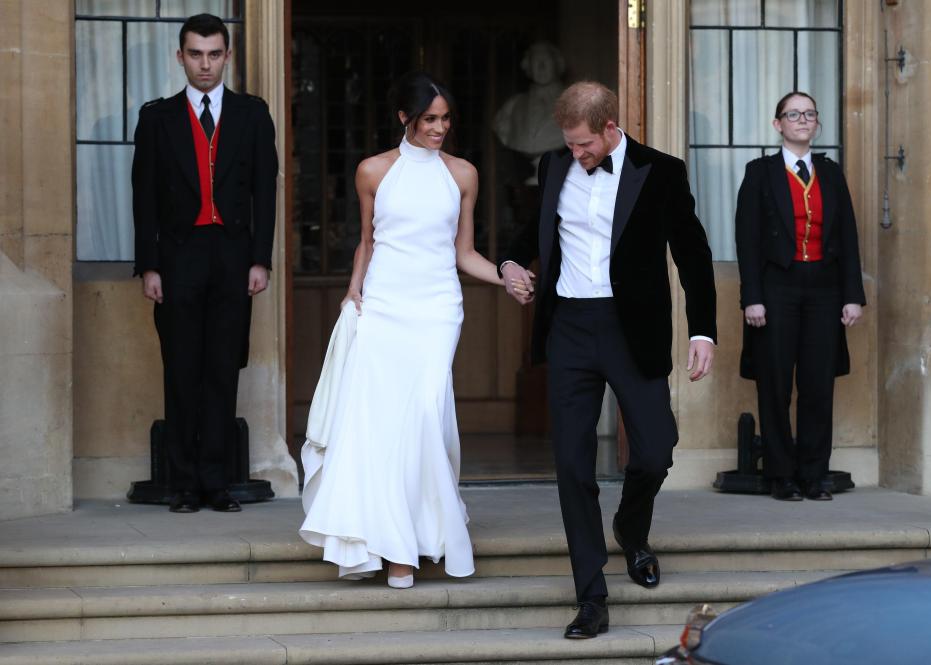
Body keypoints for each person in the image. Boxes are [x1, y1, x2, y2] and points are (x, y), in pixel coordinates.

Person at [499, 82, 717, 639]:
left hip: (631, 331)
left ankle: (631, 528)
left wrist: (703, 332)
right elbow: (528, 234)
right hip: (569, 327)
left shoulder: (660, 172)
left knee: (655, 449)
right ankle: (591, 596)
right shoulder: (553, 167)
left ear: (610, 127)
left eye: (584, 145)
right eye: (569, 145)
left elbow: (692, 254)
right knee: (572, 465)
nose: (576, 155)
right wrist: (508, 263)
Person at [299, 72, 508, 589]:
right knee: (380, 425)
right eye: (429, 119)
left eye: (445, 119)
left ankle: (416, 541)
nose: (440, 128)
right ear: (403, 118)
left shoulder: (462, 174)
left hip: (437, 310)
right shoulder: (372, 170)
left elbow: (464, 252)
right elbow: (367, 241)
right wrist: (353, 292)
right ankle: (393, 548)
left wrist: (506, 275)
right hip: (384, 305)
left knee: (422, 418)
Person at [131, 13, 279, 514]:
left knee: (222, 368)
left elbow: (266, 191)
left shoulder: (253, 115)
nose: (205, 64)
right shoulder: (157, 117)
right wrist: (149, 266)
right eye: (195, 54)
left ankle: (216, 482)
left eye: (214, 54)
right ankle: (184, 484)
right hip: (177, 258)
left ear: (228, 56)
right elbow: (143, 197)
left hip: (234, 258)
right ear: (180, 57)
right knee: (181, 369)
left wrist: (261, 259)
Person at [735, 91, 866, 502]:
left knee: (817, 385)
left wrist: (852, 296)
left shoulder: (830, 173)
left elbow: (847, 236)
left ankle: (813, 474)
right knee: (775, 384)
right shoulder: (760, 172)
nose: (803, 120)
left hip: (825, 290)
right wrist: (751, 297)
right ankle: (781, 475)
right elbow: (747, 239)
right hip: (777, 289)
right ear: (778, 125)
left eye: (810, 113)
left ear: (817, 123)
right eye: (794, 114)